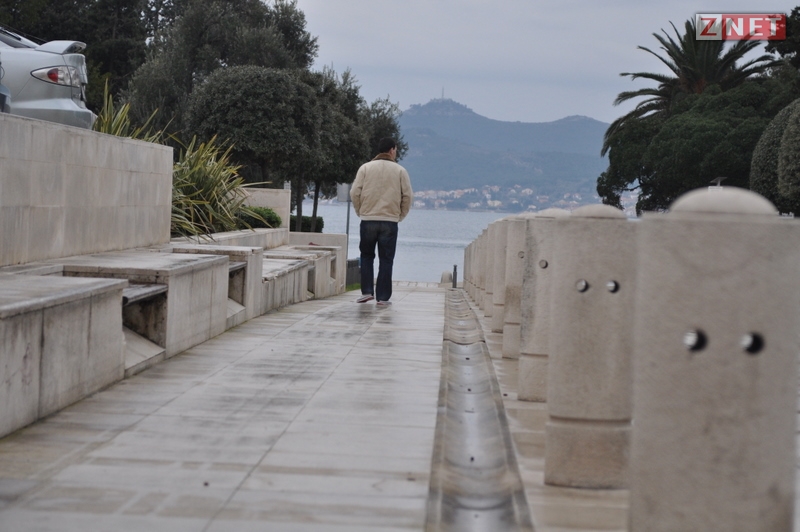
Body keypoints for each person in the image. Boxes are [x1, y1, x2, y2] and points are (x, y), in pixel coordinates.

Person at [350, 137, 413, 306]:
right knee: (386, 259)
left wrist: (360, 211)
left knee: (366, 255)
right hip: (390, 221)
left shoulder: (365, 168)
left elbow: (354, 192)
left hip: (368, 219)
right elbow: (408, 196)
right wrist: (400, 216)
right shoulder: (400, 171)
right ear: (392, 150)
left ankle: (366, 292)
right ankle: (383, 297)